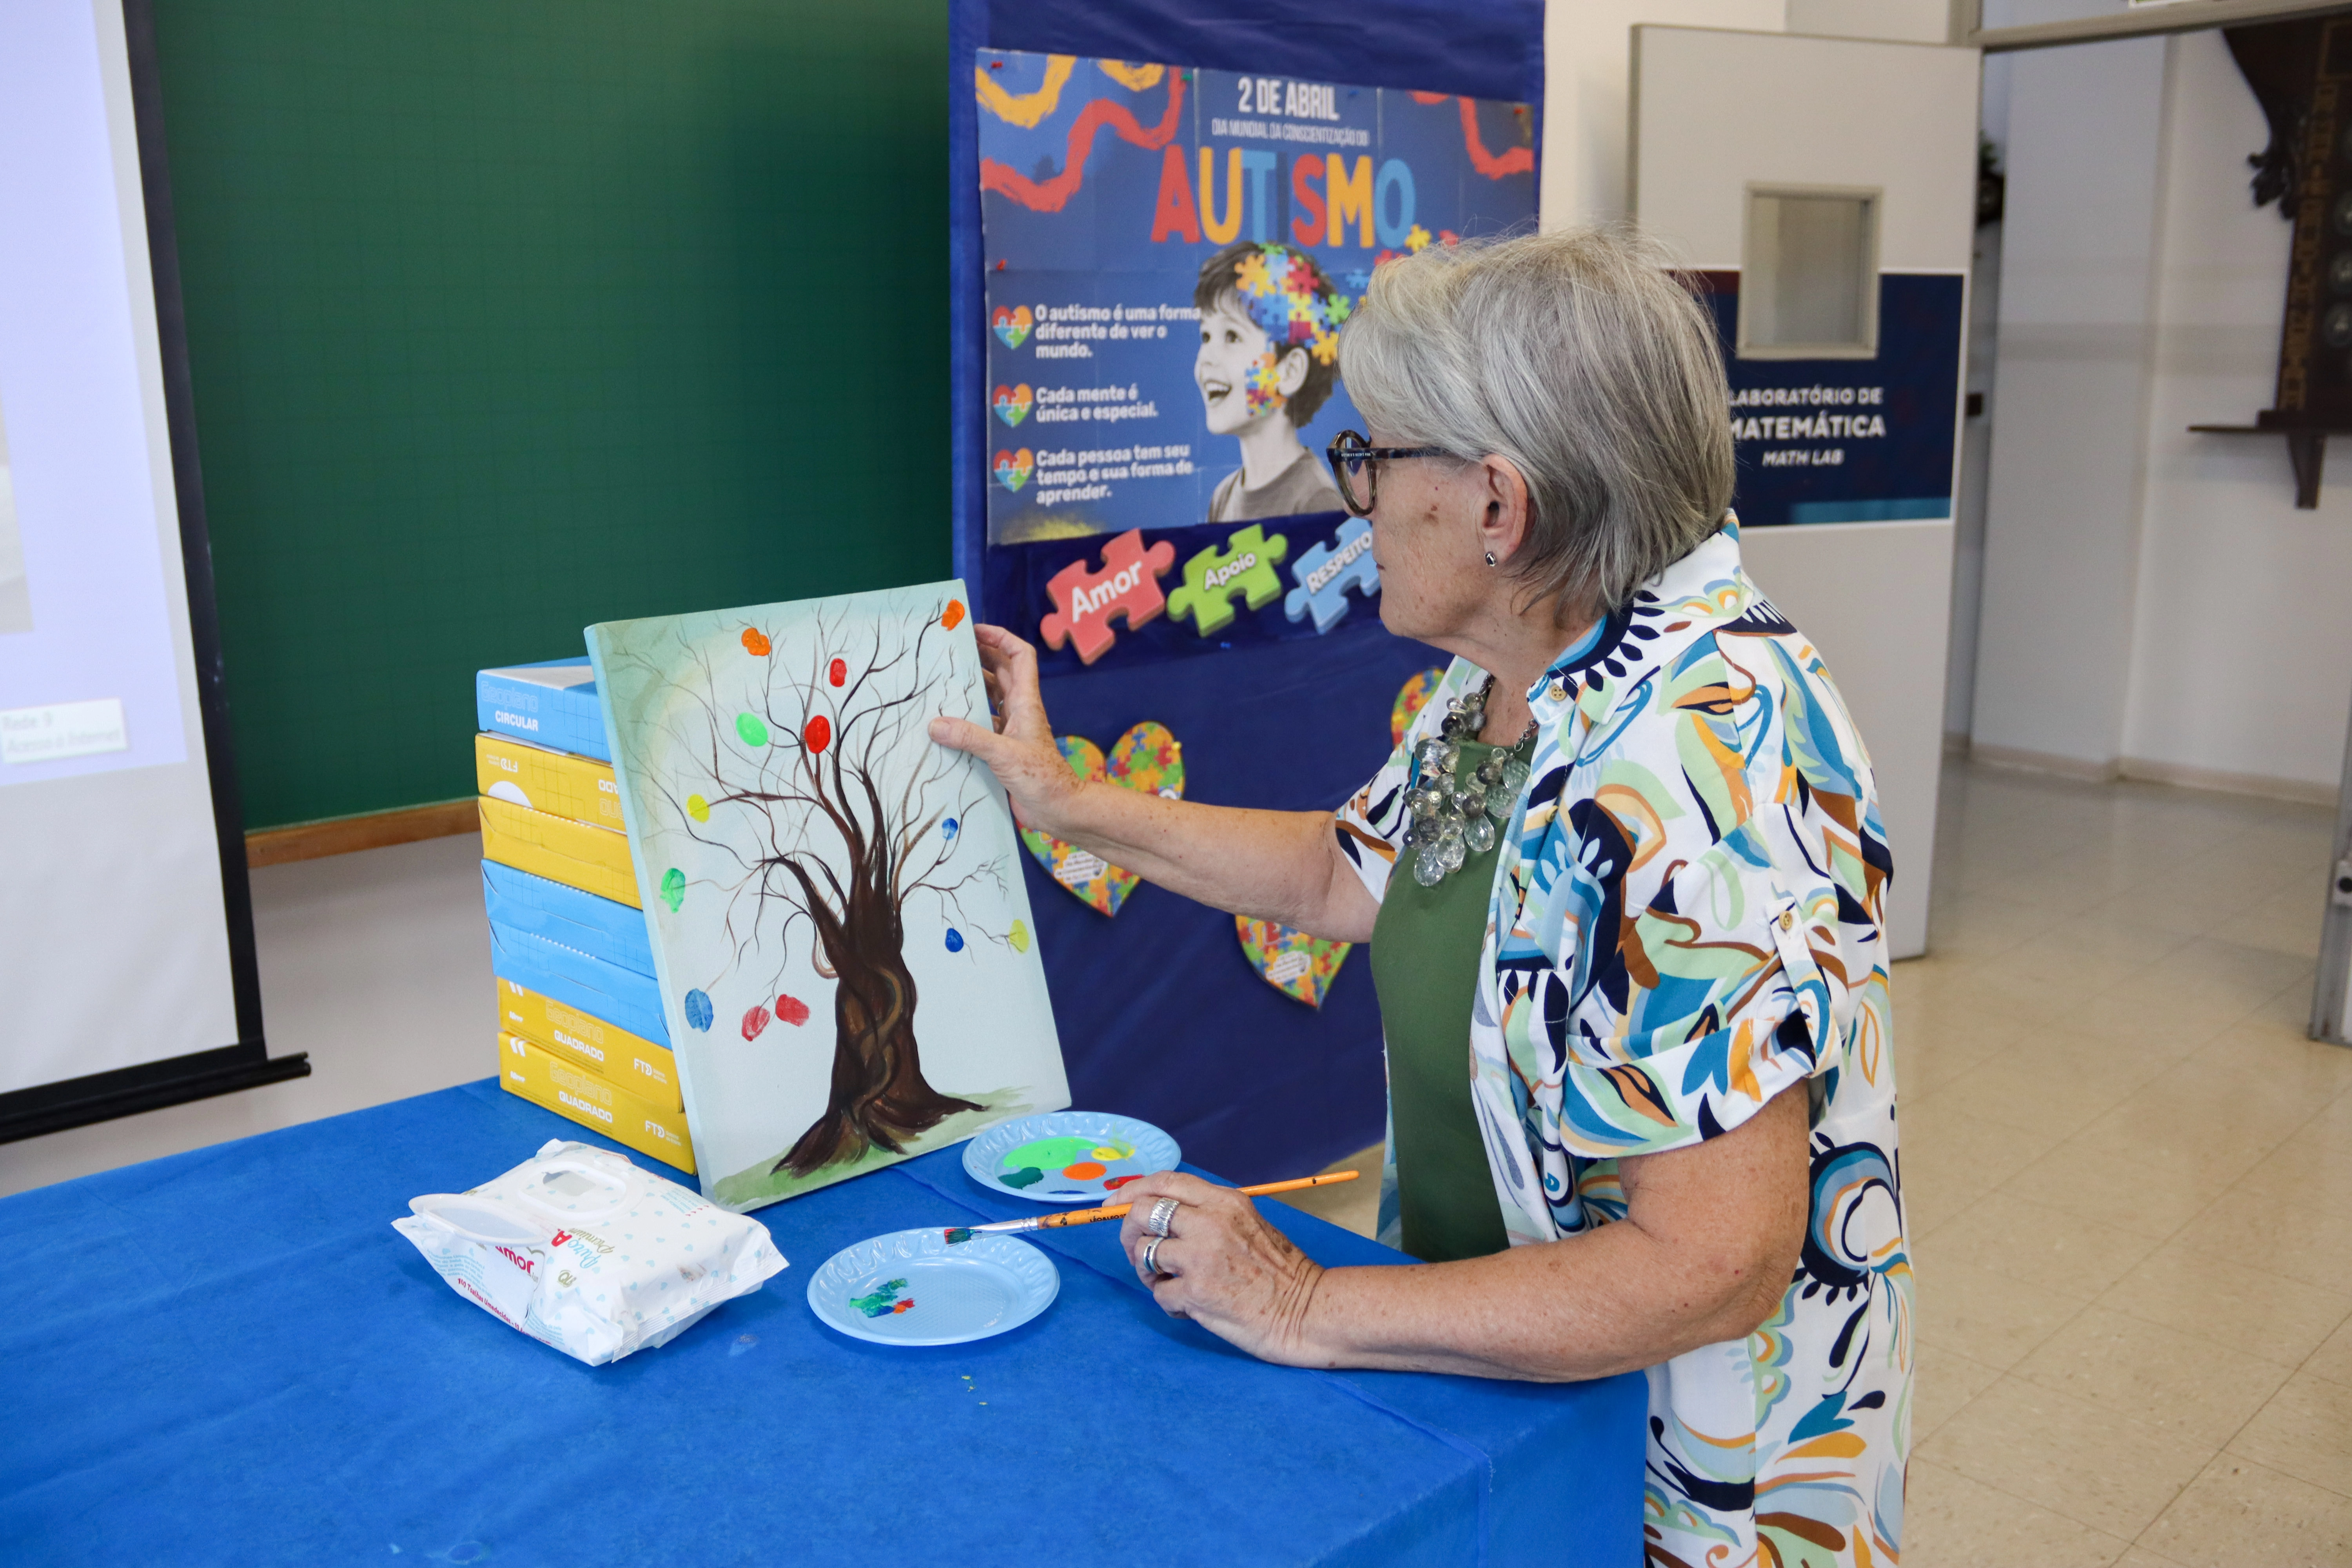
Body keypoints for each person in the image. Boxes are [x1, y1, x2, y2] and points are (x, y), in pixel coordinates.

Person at [933, 227, 1907, 1568]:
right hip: (1505, 1378)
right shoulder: (1522, 663)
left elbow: (1712, 1263)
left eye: (1376, 458)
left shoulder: (1698, 765)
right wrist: (1067, 803)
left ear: (1499, 509)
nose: (1357, 500)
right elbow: (1355, 871)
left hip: (1674, 1479)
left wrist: (1304, 1302)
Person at [1193, 240, 1348, 521]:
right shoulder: (1223, 496)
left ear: (1289, 372)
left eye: (1232, 337)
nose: (1206, 358)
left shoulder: (1316, 501)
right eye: (1205, 336)